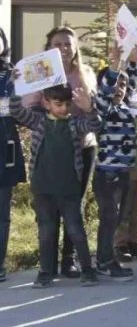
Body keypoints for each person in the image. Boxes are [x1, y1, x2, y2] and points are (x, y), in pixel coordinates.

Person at [9, 81, 102, 288]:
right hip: (43, 190)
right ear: (46, 103)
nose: (62, 108)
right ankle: (45, 272)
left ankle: (87, 270)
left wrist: (88, 108)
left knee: (76, 231)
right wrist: (17, 85)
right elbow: (16, 111)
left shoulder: (74, 124)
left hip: (69, 191)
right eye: (57, 103)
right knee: (46, 233)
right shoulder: (39, 122)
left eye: (66, 104)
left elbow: (95, 125)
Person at [22, 26, 97, 278]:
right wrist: (54, 113)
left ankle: (70, 259)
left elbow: (95, 108)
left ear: (75, 47)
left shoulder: (85, 73)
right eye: (58, 43)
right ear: (49, 47)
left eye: (68, 43)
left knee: (73, 206)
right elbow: (27, 109)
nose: (64, 48)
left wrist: (83, 110)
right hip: (51, 145)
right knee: (48, 213)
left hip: (82, 146)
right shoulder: (41, 73)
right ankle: (48, 264)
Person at [90, 46, 137, 282]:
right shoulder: (104, 109)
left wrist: (132, 62)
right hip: (107, 175)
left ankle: (106, 258)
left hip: (123, 173)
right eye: (115, 85)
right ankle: (104, 262)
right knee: (109, 219)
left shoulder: (125, 107)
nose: (119, 89)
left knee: (117, 219)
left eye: (122, 85)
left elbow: (132, 86)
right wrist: (114, 66)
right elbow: (104, 94)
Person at [0, 27, 26, 282]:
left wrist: (18, 84)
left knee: (2, 210)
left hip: (4, 141)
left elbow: (18, 110)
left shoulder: (11, 73)